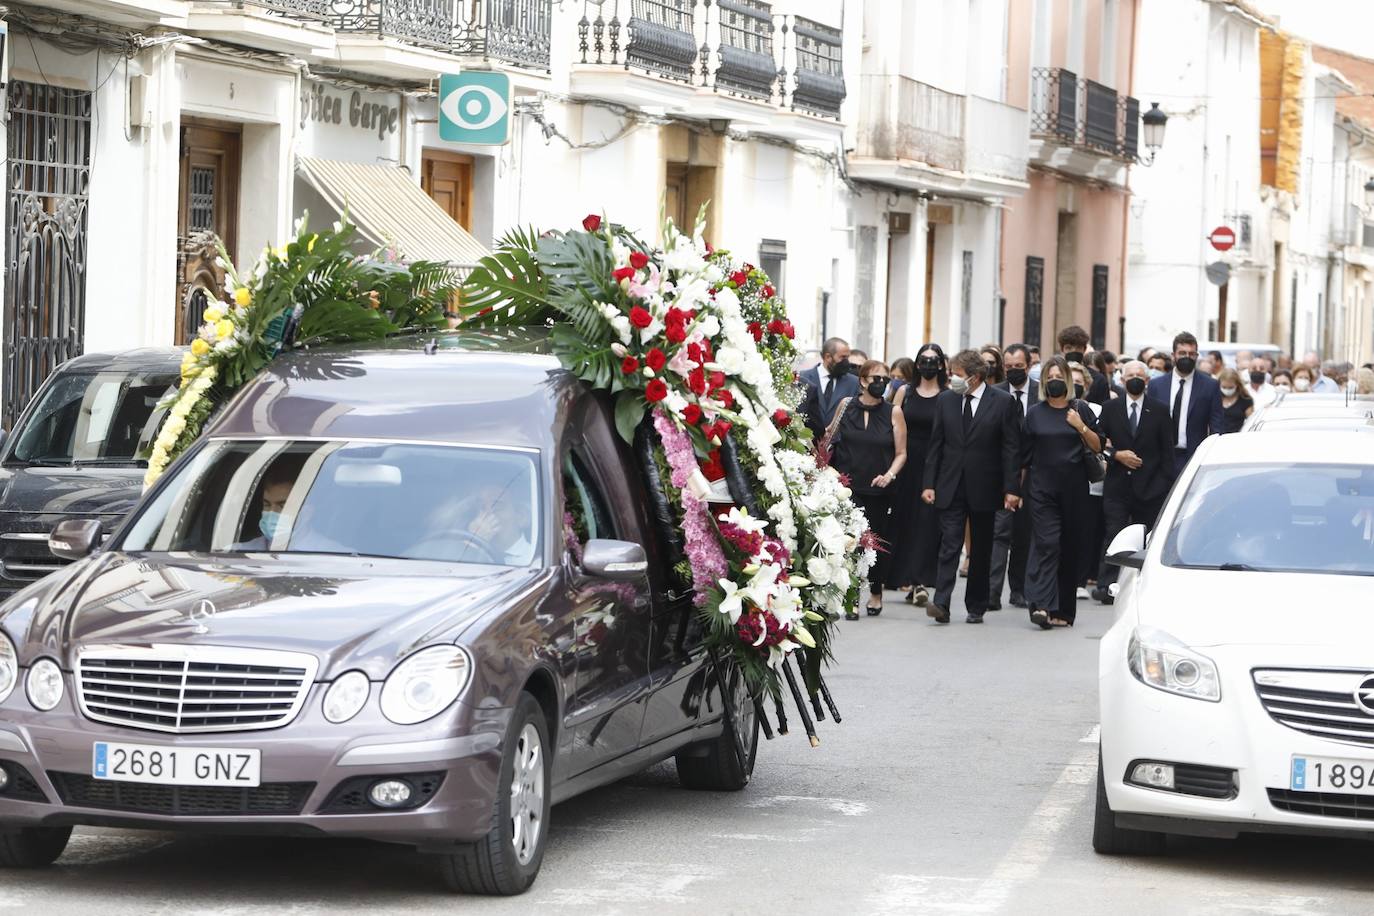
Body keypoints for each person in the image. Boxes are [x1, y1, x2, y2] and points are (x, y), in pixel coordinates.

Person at [922, 349, 1022, 625]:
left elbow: (1011, 448)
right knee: (949, 545)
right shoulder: (946, 400)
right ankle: (941, 602)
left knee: (981, 548)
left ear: (975, 377)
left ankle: (976, 604)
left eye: (957, 374)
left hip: (985, 486)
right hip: (950, 484)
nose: (952, 378)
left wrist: (1011, 488)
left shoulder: (1002, 402)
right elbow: (937, 444)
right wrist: (929, 483)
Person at [1022, 356, 1101, 629]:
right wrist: (1014, 491)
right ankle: (1041, 605)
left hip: (1075, 491)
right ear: (1044, 382)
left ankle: (1063, 610)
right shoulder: (1034, 413)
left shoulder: (1080, 409)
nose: (1055, 381)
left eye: (1059, 377)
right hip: (1042, 490)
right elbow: (1023, 455)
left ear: (1067, 380)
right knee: (1048, 543)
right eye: (1050, 377)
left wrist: (1079, 425)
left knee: (1068, 548)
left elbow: (1098, 445)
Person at [827, 359, 907, 618]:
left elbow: (902, 453)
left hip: (878, 488)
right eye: (876, 378)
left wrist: (889, 475)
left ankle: (875, 591)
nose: (881, 383)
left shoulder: (893, 411)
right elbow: (828, 438)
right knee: (849, 542)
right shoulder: (846, 406)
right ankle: (851, 596)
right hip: (847, 488)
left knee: (875, 542)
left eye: (885, 379)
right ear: (862, 381)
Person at [1092, 360, 1175, 604]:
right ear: (1122, 379)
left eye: (1140, 375)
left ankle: (1144, 585)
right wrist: (1117, 455)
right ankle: (1106, 584)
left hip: (1151, 488)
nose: (1135, 379)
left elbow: (1166, 453)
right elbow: (1099, 442)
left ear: (1147, 380)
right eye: (1131, 375)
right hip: (1118, 486)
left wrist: (1163, 485)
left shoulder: (1159, 410)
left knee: (1146, 538)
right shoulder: (1110, 408)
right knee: (1113, 535)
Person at [890, 345, 947, 608]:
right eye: (923, 360)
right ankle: (907, 577)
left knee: (928, 522)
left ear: (941, 364)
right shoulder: (905, 392)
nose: (928, 365)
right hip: (906, 460)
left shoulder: (947, 395)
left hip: (936, 464)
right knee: (906, 519)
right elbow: (891, 421)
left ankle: (921, 580)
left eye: (933, 361)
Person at [989, 343, 1037, 608]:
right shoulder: (995, 393)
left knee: (1024, 533)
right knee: (999, 532)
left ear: (1028, 366)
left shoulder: (1041, 392)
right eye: (1009, 367)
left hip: (1033, 472)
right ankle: (992, 592)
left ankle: (1018, 589)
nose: (1014, 371)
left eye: (1019, 367)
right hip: (1001, 472)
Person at [1147, 331, 1224, 475]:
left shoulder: (1210, 386)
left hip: (1194, 458)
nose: (1187, 357)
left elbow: (1216, 425)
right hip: (1161, 458)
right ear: (1173, 355)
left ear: (1196, 356)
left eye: (1192, 354)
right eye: (1182, 353)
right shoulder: (1156, 385)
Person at [411, 481, 536, 566]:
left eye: (497, 507)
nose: (486, 513)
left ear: (521, 517)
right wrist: (475, 541)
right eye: (482, 507)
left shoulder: (533, 560)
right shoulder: (456, 549)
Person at [1069, 362, 1105, 601]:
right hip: (1061, 479)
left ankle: (1080, 578)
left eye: (1079, 383)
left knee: (1084, 530)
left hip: (1089, 479)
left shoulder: (1094, 410)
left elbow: (1101, 444)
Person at [799, 337, 861, 432]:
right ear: (828, 357)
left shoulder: (854, 382)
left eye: (847, 357)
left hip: (840, 444)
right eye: (843, 357)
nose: (847, 362)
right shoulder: (803, 378)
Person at [1056, 325, 1109, 404]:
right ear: (1062, 349)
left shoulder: (1098, 379)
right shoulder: (1055, 375)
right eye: (1069, 348)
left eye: (1078, 348)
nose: (1074, 351)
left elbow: (1104, 410)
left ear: (1084, 349)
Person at [1218, 367, 1253, 433]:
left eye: (1230, 387)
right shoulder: (1214, 399)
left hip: (1237, 437)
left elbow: (1250, 422)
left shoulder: (1245, 400)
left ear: (1237, 385)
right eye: (1224, 387)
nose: (1227, 390)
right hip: (1216, 438)